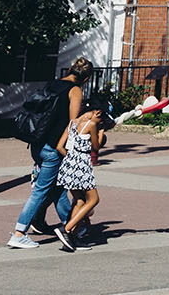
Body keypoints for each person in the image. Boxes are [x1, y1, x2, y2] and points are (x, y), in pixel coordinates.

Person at [6, 58, 91, 250]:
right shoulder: (75, 90)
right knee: (41, 191)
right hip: (54, 148)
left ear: (69, 69)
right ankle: (19, 233)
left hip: (37, 143)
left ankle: (70, 230)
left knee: (58, 189)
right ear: (85, 79)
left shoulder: (53, 84)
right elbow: (73, 124)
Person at [52, 99, 105, 252]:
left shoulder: (72, 123)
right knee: (94, 199)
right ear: (97, 112)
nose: (100, 120)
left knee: (80, 200)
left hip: (69, 164)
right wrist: (101, 133)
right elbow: (96, 148)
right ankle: (66, 229)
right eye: (101, 117)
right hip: (82, 165)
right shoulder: (92, 125)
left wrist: (71, 158)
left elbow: (59, 147)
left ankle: (71, 239)